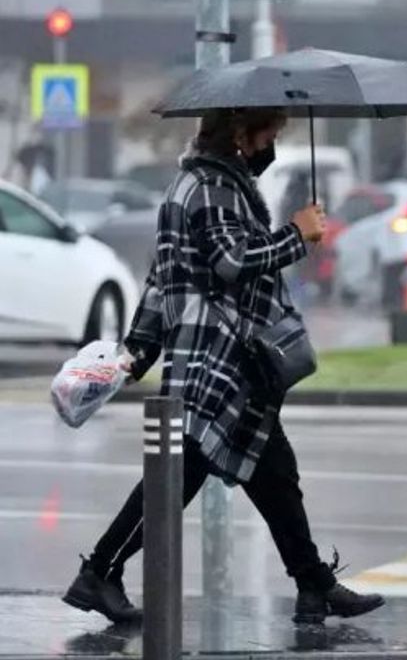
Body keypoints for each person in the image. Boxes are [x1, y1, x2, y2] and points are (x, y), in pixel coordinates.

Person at [61, 108, 385, 626]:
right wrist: (296, 235)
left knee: (275, 473)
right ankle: (100, 570)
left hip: (225, 363)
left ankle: (313, 585)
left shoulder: (201, 184)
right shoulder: (210, 187)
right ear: (240, 134)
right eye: (269, 134)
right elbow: (230, 261)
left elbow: (162, 277)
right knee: (174, 482)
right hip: (216, 362)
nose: (272, 144)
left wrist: (139, 346)